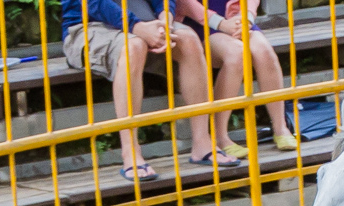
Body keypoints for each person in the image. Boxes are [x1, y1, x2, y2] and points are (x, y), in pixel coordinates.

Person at [61, 0, 241, 181]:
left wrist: (166, 21)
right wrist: (137, 27)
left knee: (189, 40)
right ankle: (130, 152)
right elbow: (95, 3)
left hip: (147, 21)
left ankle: (203, 143)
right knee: (134, 46)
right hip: (89, 27)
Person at [175, 0, 297, 158]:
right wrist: (221, 24)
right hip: (200, 22)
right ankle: (220, 136)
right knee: (236, 54)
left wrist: (246, 18)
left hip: (238, 18)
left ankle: (281, 127)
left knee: (264, 52)